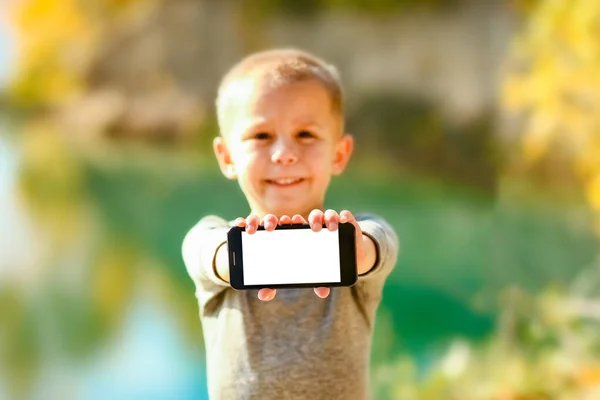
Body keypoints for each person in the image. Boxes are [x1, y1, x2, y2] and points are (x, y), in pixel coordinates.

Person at [182, 48, 399, 400]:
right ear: (226, 157)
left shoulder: (356, 235)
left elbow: (381, 246)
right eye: (261, 136)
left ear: (339, 155)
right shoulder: (213, 236)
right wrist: (246, 254)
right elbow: (207, 255)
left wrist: (354, 250)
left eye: (306, 135)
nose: (284, 152)